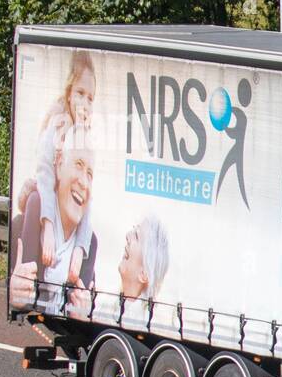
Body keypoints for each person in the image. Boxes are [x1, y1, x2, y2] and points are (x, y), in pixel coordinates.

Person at [15, 51, 96, 283]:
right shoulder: (56, 125)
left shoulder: (86, 136)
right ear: (69, 94)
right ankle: (30, 284)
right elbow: (45, 178)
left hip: (65, 215)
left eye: (91, 98)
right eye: (80, 93)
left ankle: (78, 304)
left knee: (93, 239)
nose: (85, 103)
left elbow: (87, 198)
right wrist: (48, 226)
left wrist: (80, 248)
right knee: (35, 201)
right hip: (46, 206)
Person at [9, 125, 96, 312]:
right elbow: (15, 298)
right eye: (78, 164)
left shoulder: (90, 245)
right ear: (58, 163)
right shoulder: (21, 226)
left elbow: (83, 315)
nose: (83, 181)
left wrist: (83, 314)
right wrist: (15, 296)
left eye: (90, 174)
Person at [64, 215, 171, 319]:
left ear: (144, 274)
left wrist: (82, 319)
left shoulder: (146, 322)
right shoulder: (106, 301)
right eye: (133, 230)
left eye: (137, 236)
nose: (128, 235)